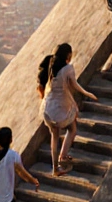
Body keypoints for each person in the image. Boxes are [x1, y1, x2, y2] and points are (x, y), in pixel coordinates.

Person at [37, 43, 97, 177]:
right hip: (58, 109)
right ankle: (63, 156)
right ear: (68, 55)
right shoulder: (68, 68)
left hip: (47, 108)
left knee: (54, 136)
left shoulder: (52, 67)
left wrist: (73, 102)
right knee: (72, 129)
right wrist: (87, 94)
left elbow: (63, 88)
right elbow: (74, 86)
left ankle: (55, 168)